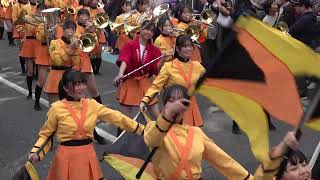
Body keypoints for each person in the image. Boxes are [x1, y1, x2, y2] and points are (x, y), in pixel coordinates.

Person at [28, 69, 145, 180]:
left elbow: (118, 118)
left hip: (88, 157)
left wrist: (142, 130)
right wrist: (36, 152)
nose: (82, 88)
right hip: (66, 159)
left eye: (83, 83)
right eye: (77, 84)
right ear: (65, 88)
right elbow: (46, 135)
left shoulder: (92, 105)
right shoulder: (56, 108)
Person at [143, 84, 253, 179]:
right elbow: (152, 140)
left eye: (180, 102)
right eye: (172, 101)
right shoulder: (153, 128)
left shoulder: (196, 132)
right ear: (164, 105)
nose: (176, 106)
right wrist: (166, 117)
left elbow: (223, 161)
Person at [140, 35, 205, 127]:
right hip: (174, 109)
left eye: (190, 46)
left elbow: (211, 80)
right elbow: (156, 86)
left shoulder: (197, 66)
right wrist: (144, 101)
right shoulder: (168, 66)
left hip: (191, 108)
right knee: (173, 139)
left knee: (192, 138)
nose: (189, 49)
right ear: (177, 49)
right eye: (185, 46)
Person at [114, 20, 162, 124]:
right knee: (126, 118)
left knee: (155, 112)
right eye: (146, 29)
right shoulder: (130, 45)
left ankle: (163, 136)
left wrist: (163, 60)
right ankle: (122, 138)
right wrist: (120, 74)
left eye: (152, 31)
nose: (149, 32)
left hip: (145, 81)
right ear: (140, 29)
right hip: (130, 80)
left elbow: (156, 69)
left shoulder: (155, 50)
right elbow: (125, 60)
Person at [43, 20, 81, 105]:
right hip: (55, 78)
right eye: (68, 28)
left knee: (70, 109)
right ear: (63, 30)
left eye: (73, 29)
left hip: (69, 77)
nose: (70, 31)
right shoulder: (55, 43)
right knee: (54, 109)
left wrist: (76, 49)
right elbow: (57, 62)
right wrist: (69, 49)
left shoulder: (75, 45)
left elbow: (76, 63)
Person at [19, 1, 40, 99]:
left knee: (41, 70)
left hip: (39, 43)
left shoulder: (42, 8)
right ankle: (30, 92)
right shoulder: (25, 8)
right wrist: (21, 33)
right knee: (30, 71)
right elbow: (20, 22)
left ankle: (38, 93)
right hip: (29, 42)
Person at [34, 3, 49, 111]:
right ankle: (37, 102)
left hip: (54, 52)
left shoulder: (56, 25)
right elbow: (39, 38)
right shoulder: (39, 25)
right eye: (41, 12)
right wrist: (45, 28)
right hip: (43, 53)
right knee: (41, 80)